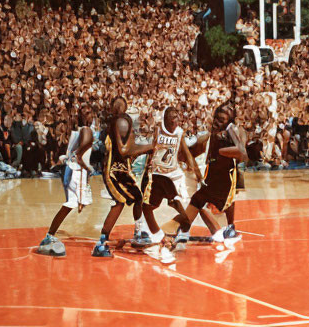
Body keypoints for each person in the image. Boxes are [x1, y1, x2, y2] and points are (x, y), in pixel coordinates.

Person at [176, 102, 247, 245]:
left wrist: (220, 152)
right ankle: (185, 230)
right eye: (216, 118)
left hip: (225, 178)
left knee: (221, 202)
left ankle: (226, 228)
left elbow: (242, 153)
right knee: (198, 200)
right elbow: (191, 153)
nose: (216, 122)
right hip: (212, 176)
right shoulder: (211, 136)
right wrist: (189, 161)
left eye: (221, 120)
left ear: (229, 122)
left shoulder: (232, 132)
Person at [93, 96, 155, 258]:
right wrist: (149, 146)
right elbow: (123, 151)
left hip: (122, 169)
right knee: (120, 202)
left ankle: (139, 231)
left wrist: (148, 148)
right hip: (113, 170)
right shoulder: (119, 122)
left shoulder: (122, 121)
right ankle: (101, 243)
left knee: (138, 198)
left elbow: (131, 148)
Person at [140, 106, 203, 263]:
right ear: (166, 119)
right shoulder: (158, 130)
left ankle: (180, 233)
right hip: (156, 173)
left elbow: (187, 155)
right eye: (173, 117)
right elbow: (150, 150)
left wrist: (198, 175)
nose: (176, 120)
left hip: (172, 175)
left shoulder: (179, 132)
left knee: (181, 208)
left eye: (177, 117)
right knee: (148, 206)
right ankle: (146, 232)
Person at [36, 107, 95, 257]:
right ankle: (50, 234)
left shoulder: (80, 131)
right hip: (76, 170)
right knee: (71, 204)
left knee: (75, 203)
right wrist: (88, 168)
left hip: (72, 170)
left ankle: (50, 233)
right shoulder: (87, 130)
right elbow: (80, 155)